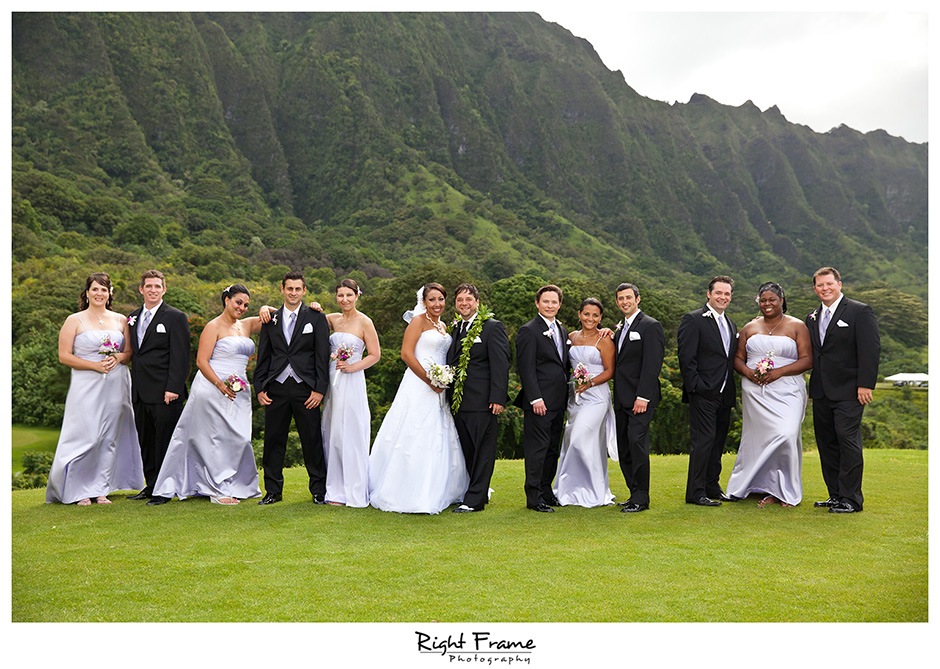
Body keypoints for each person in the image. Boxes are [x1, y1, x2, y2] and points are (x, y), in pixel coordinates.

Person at [150, 285, 263, 505]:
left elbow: (274, 316)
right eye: (238, 302)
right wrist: (221, 386)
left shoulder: (246, 324)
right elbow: (201, 361)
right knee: (214, 439)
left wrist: (267, 307)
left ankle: (233, 482)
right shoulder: (214, 326)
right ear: (227, 300)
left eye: (246, 304)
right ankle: (216, 488)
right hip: (213, 386)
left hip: (239, 389)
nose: (242, 307)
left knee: (238, 438)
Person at [368, 283, 468, 514]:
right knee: (414, 431)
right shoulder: (418, 321)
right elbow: (406, 354)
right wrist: (429, 380)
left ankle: (446, 488)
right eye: (432, 300)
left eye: (441, 299)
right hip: (419, 384)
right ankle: (410, 491)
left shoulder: (443, 325)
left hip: (439, 387)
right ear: (423, 302)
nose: (437, 304)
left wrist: (441, 380)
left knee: (439, 433)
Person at [46, 273, 145, 505]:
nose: (99, 293)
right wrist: (94, 365)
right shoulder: (74, 320)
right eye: (95, 289)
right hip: (85, 383)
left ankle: (101, 488)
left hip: (116, 382)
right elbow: (64, 356)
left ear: (110, 293)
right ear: (87, 292)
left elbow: (129, 353)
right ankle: (78, 489)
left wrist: (118, 357)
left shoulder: (121, 320)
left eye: (104, 289)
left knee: (109, 435)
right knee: (86, 434)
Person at [727, 282, 812, 507]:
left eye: (772, 300)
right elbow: (737, 357)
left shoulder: (797, 326)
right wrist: (747, 372)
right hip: (756, 391)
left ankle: (784, 489)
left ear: (781, 300)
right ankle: (759, 485)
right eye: (763, 300)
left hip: (787, 389)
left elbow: (807, 360)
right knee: (759, 439)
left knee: (785, 434)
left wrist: (779, 372)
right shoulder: (749, 327)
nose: (767, 304)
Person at [806, 267, 880, 514]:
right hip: (821, 391)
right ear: (815, 288)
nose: (825, 288)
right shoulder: (812, 317)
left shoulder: (860, 311)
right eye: (820, 285)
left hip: (850, 391)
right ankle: (835, 494)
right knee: (826, 444)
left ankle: (851, 499)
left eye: (829, 283)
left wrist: (866, 384)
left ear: (839, 284)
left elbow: (870, 350)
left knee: (847, 442)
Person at [254, 271, 331, 505]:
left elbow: (322, 357)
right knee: (274, 441)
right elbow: (263, 356)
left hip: (306, 389)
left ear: (304, 291)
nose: (294, 293)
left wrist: (319, 390)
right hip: (276, 387)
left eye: (298, 289)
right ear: (282, 289)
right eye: (290, 289)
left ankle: (318, 490)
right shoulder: (270, 319)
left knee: (312, 440)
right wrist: (259, 387)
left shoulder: (316, 318)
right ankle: (273, 491)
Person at [127, 269, 191, 503]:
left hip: (166, 392)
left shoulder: (175, 316)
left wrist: (173, 387)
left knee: (165, 442)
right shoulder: (132, 317)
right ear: (141, 289)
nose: (153, 290)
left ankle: (165, 490)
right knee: (146, 441)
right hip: (140, 392)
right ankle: (151, 485)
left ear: (164, 289)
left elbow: (181, 356)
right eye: (149, 286)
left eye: (157, 286)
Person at [446, 283, 511, 513]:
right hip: (459, 402)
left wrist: (498, 398)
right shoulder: (456, 328)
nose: (464, 303)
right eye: (460, 300)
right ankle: (477, 494)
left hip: (484, 402)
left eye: (468, 299)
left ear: (477, 302)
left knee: (483, 451)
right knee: (469, 451)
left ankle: (473, 502)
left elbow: (501, 364)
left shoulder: (492, 327)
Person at [677, 276, 738, 508]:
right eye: (719, 293)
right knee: (703, 441)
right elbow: (686, 357)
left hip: (724, 393)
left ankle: (713, 486)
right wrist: (696, 387)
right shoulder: (693, 319)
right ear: (709, 294)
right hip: (702, 392)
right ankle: (695, 491)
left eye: (727, 294)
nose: (723, 297)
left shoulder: (731, 324)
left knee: (718, 442)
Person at [321, 279, 381, 507]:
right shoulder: (333, 319)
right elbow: (311, 317)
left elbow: (375, 354)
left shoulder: (365, 322)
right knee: (333, 431)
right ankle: (335, 490)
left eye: (348, 295)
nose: (344, 299)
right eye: (340, 295)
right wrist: (316, 305)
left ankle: (354, 490)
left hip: (352, 379)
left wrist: (352, 367)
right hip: (332, 382)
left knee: (351, 431)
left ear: (357, 295)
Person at [552, 298, 617, 507]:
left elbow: (610, 371)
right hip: (576, 397)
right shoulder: (570, 337)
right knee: (573, 439)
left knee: (580, 436)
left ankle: (592, 490)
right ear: (579, 314)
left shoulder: (605, 339)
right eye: (586, 314)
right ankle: (568, 489)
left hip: (596, 396)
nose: (590, 318)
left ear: (600, 318)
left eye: (595, 315)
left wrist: (589, 383)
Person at [514, 284, 569, 513]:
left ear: (559, 304)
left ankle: (547, 491)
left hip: (559, 401)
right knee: (537, 449)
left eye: (554, 302)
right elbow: (526, 369)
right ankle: (534, 497)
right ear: (537, 303)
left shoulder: (562, 330)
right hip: (539, 402)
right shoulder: (528, 330)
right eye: (545, 301)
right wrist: (535, 398)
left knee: (551, 449)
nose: (550, 305)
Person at [611, 283, 665, 513]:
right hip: (621, 398)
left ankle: (641, 499)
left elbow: (652, 365)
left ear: (638, 299)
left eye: (628, 298)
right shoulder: (620, 329)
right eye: (621, 298)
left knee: (637, 443)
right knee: (624, 446)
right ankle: (633, 493)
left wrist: (643, 396)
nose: (625, 302)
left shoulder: (651, 326)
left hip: (640, 399)